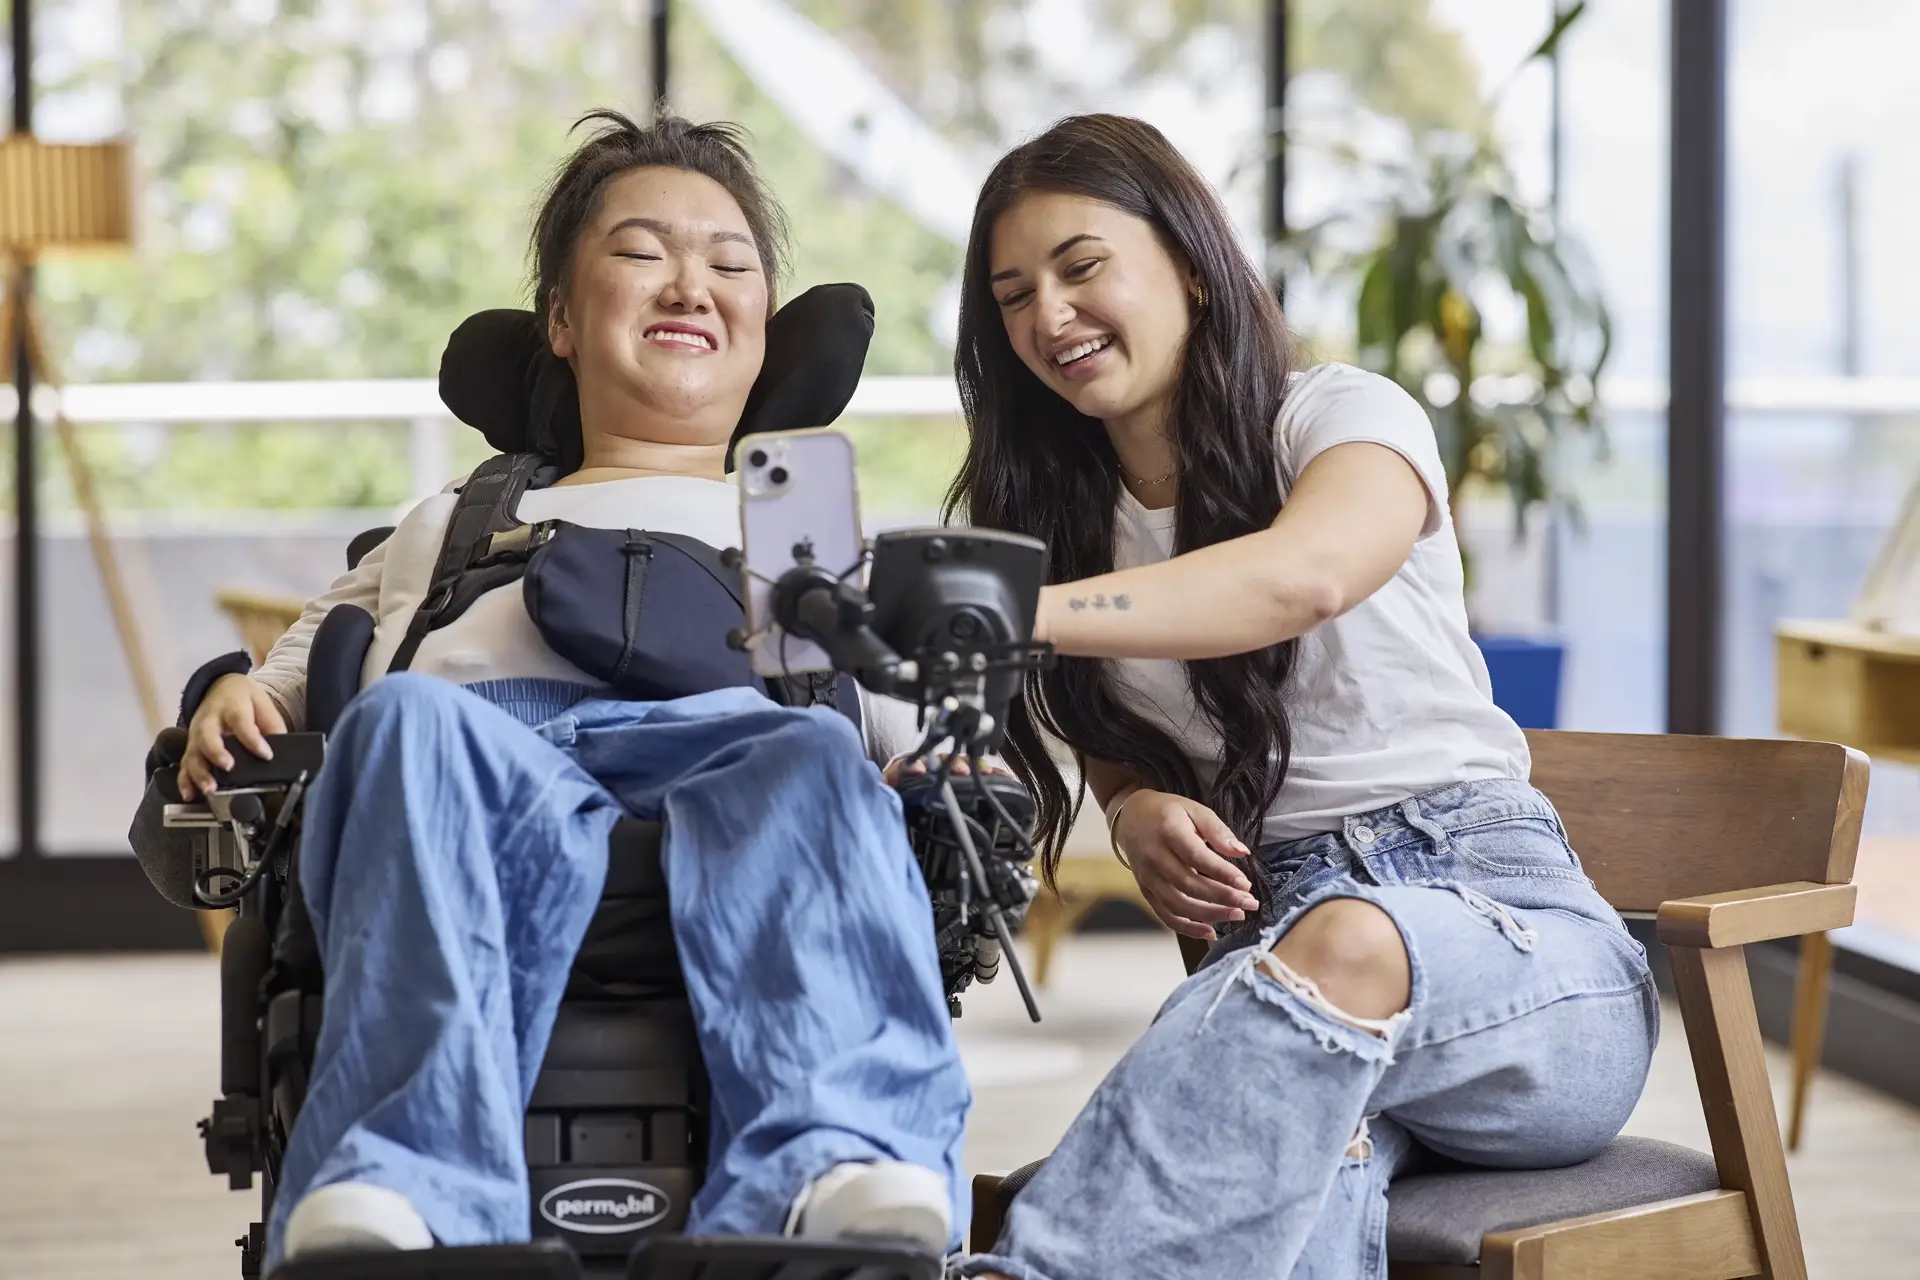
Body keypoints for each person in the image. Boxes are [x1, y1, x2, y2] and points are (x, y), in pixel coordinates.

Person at [177, 111, 969, 1273]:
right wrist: (228, 697)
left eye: (729, 262)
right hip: (478, 768)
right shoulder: (454, 518)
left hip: (738, 767)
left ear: (762, 334)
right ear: (560, 318)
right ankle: (406, 1179)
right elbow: (291, 672)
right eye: (644, 252)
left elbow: (909, 722)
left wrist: (958, 760)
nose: (689, 281)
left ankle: (834, 1159)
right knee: (396, 717)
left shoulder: (804, 527)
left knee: (817, 759)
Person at [946, 114, 1660, 1280]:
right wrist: (1129, 810)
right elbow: (1113, 735)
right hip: (1280, 974)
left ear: (1187, 257)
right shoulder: (1057, 522)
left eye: (1082, 268)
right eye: (1014, 295)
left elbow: (1301, 576)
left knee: (1335, 954)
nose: (1049, 317)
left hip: (1525, 973)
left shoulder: (1341, 418)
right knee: (1275, 1180)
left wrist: (1008, 610)